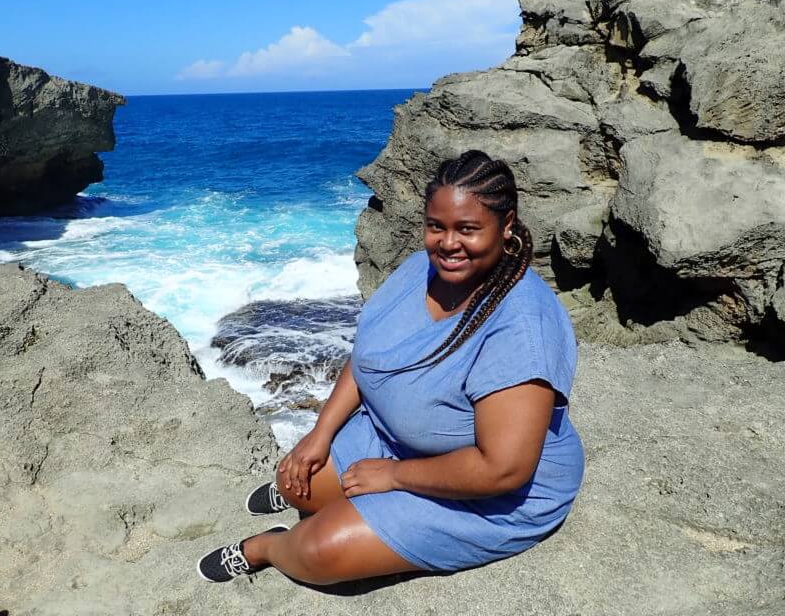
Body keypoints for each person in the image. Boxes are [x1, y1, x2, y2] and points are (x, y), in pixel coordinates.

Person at [197, 150, 585, 584]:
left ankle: (267, 545)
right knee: (294, 483)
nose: (448, 243)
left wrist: (396, 476)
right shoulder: (422, 269)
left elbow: (503, 469)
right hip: (394, 440)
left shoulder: (520, 326)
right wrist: (319, 433)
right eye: (436, 226)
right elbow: (367, 357)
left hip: (489, 493)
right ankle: (314, 503)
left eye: (468, 229)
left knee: (318, 552)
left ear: (506, 225)